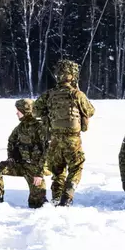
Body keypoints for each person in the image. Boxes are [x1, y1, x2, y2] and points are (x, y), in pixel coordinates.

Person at [33, 59, 95, 206]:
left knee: (58, 171)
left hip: (54, 139)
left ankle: (56, 199)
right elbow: (90, 111)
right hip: (73, 140)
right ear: (72, 76)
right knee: (76, 167)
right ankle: (67, 196)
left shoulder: (49, 94)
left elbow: (35, 111)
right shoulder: (77, 94)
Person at [0, 99, 49, 208]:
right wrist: (11, 157)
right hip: (21, 164)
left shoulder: (41, 127)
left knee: (36, 204)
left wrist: (39, 173)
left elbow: (48, 150)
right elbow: (11, 141)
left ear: (26, 111)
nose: (17, 113)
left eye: (19, 110)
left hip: (36, 168)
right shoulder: (21, 127)